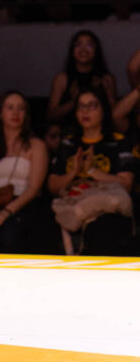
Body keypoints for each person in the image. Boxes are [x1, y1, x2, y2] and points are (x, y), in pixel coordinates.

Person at [48, 88, 134, 255]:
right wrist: (74, 172)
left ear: (104, 110)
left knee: (102, 230)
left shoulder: (119, 142)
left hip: (106, 210)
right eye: (81, 106)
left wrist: (92, 171)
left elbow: (126, 184)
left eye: (92, 106)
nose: (85, 111)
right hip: (71, 204)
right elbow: (52, 186)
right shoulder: (68, 144)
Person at [0, 92, 49, 253]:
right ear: (0, 113)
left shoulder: (36, 145)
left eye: (21, 108)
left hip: (22, 204)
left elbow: (33, 189)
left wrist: (5, 214)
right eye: (10, 108)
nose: (15, 113)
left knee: (9, 233)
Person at [46, 29, 117, 125]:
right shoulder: (62, 78)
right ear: (72, 51)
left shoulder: (106, 79)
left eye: (89, 45)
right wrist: (74, 101)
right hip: (68, 129)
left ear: (96, 51)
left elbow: (115, 115)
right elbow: (50, 116)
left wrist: (101, 93)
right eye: (78, 45)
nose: (83, 49)